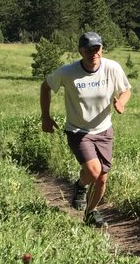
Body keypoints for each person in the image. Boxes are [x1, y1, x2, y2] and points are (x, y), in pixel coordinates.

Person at [40, 31, 131, 227]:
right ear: (80, 51)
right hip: (78, 131)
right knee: (94, 171)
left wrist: (121, 103)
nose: (93, 53)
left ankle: (91, 213)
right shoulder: (68, 72)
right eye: (88, 49)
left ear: (101, 49)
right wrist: (45, 117)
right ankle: (81, 185)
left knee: (102, 179)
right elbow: (45, 86)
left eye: (97, 48)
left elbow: (126, 89)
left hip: (104, 130)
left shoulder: (112, 68)